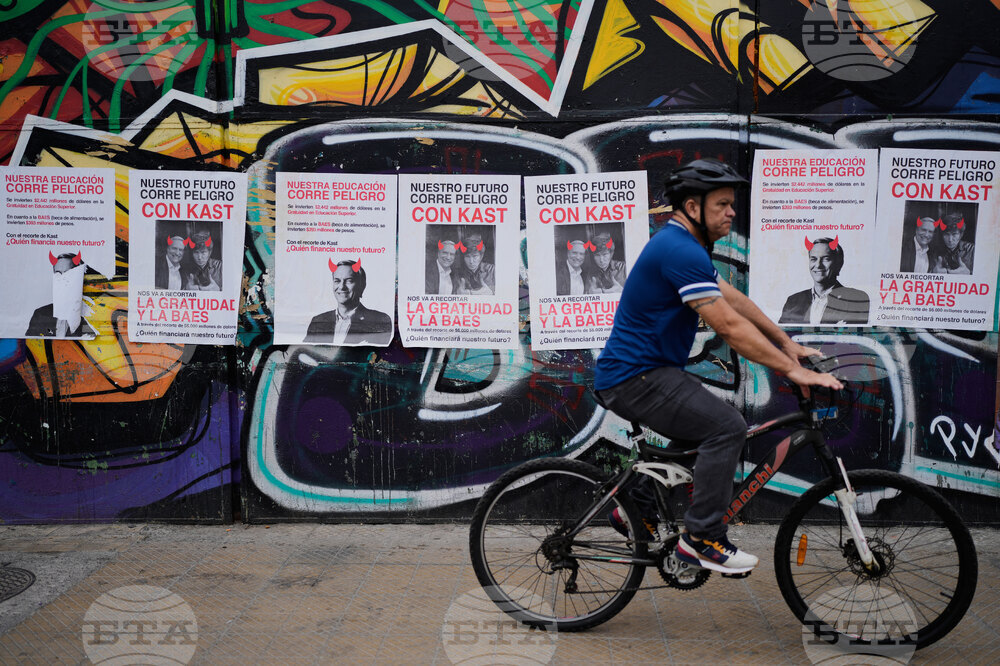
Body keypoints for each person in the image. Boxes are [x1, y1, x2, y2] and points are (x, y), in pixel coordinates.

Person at [594, 158, 842, 574]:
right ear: (693, 207)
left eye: (732, 205)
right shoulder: (678, 249)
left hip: (648, 372)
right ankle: (702, 539)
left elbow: (734, 301)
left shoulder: (685, 247)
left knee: (700, 429)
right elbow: (728, 325)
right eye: (723, 204)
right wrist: (793, 371)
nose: (731, 212)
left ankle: (634, 506)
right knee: (725, 427)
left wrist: (787, 344)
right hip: (633, 377)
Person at [778, 236, 869, 325]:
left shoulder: (856, 298)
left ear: (838, 263)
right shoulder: (793, 301)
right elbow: (782, 335)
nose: (818, 265)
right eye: (813, 259)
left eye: (826, 259)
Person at [304, 260, 392, 345]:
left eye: (349, 280)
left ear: (361, 285)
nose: (341, 287)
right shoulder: (318, 321)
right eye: (337, 281)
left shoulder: (379, 320)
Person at [24, 252, 95, 338]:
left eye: (68, 273)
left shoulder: (92, 315)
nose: (63, 279)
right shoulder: (40, 315)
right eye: (58, 273)